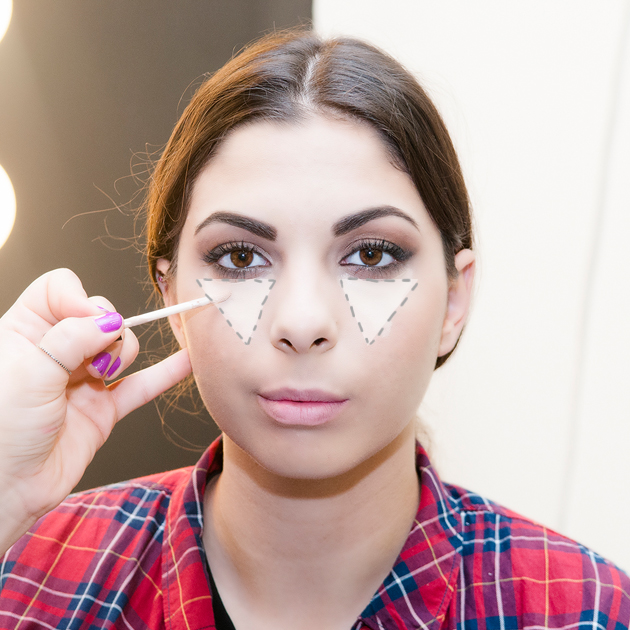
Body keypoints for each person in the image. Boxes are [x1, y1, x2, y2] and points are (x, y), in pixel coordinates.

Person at [0, 29, 628, 630]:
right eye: (240, 257)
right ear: (170, 294)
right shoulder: (26, 578)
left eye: (372, 255)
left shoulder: (587, 612)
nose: (302, 323)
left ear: (454, 301)